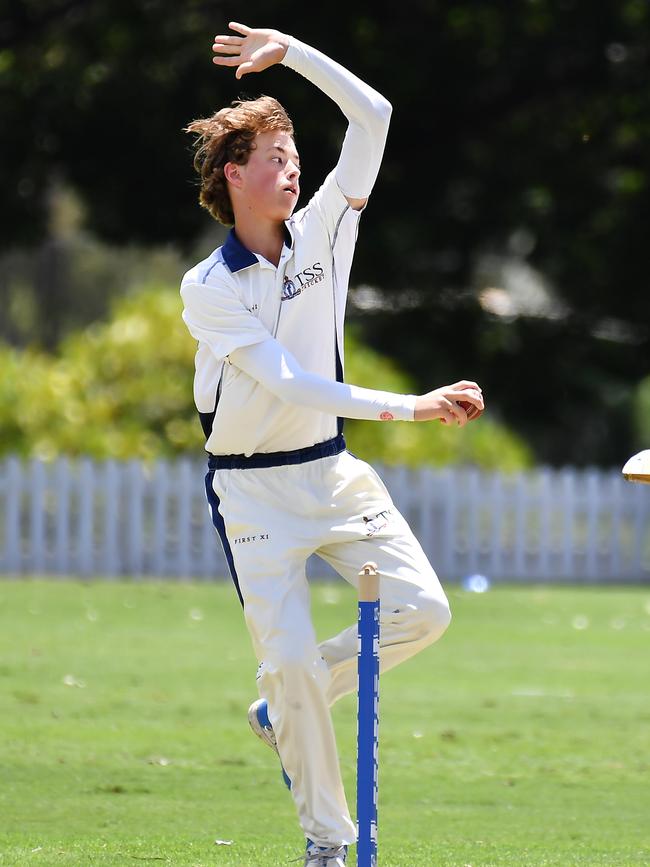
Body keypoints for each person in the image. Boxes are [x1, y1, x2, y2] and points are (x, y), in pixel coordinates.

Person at [180, 22, 484, 867]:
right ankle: (327, 842)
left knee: (423, 611)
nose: (293, 168)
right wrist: (413, 407)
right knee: (285, 663)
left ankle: (288, 701)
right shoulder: (207, 288)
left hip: (334, 472)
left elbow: (375, 114)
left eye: (295, 155)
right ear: (234, 175)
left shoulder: (327, 229)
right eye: (275, 156)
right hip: (252, 493)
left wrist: (296, 55)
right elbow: (292, 383)